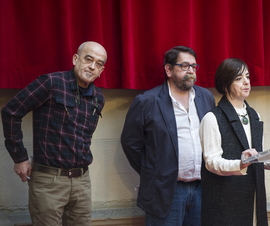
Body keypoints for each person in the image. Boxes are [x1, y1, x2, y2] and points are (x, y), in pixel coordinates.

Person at [1, 41, 107, 225]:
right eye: (88, 59)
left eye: (98, 63)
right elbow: (11, 112)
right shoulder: (51, 83)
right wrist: (19, 158)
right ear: (76, 59)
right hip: (49, 181)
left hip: (82, 181)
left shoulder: (98, 97)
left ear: (101, 71)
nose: (92, 66)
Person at [121, 45, 215, 226]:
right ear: (168, 69)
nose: (190, 71)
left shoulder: (206, 97)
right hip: (166, 191)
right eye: (184, 66)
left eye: (194, 67)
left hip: (202, 188)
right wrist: (155, 173)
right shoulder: (147, 101)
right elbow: (130, 143)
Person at [199, 58, 270, 226]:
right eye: (239, 78)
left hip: (255, 195)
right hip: (225, 200)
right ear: (225, 84)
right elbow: (211, 162)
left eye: (247, 76)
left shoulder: (254, 115)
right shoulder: (212, 118)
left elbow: (255, 157)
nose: (246, 82)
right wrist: (240, 163)